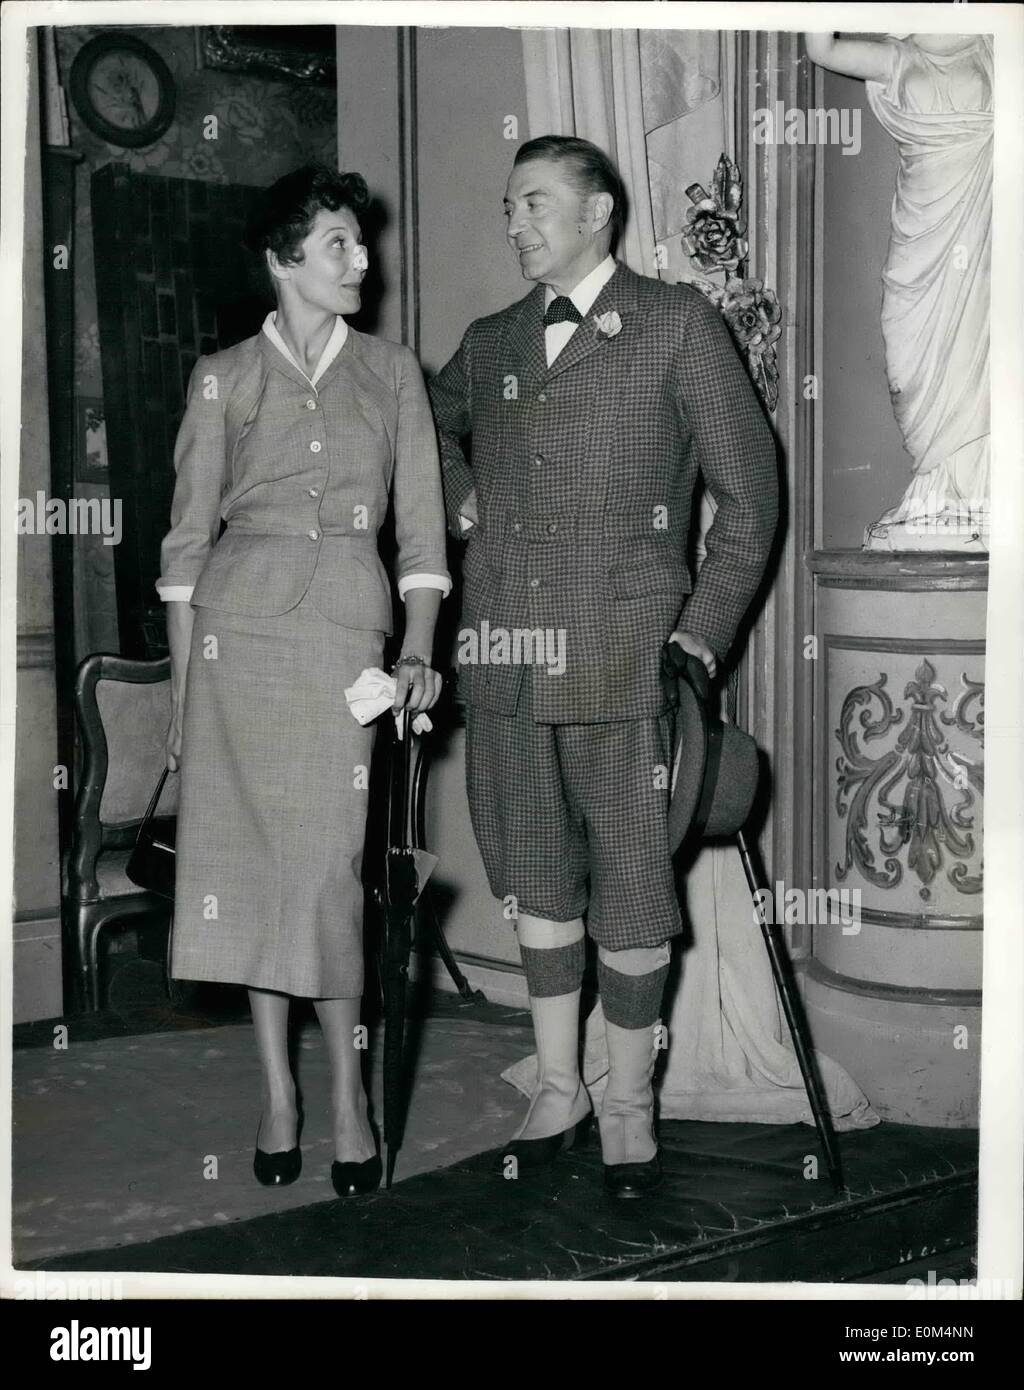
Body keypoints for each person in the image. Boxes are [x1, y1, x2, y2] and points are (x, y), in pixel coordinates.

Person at [429, 135, 778, 1196]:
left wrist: (696, 636)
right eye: (506, 206)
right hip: (502, 663)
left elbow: (751, 501)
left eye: (534, 202)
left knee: (631, 891)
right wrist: (455, 492)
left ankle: (630, 1100)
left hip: (631, 664)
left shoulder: (677, 325)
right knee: (536, 879)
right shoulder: (488, 342)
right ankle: (560, 1087)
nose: (514, 222)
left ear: (599, 211)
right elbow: (423, 429)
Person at [158, 164, 450, 1198]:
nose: (361, 259)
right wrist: (188, 697)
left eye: (360, 241)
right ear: (284, 258)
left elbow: (421, 531)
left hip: (343, 645)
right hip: (236, 645)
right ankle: (280, 1094)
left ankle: (349, 1099)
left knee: (328, 883)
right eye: (337, 243)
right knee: (250, 879)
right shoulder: (221, 375)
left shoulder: (393, 372)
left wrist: (416, 649)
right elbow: (186, 548)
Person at [805, 32, 992, 550]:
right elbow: (822, 47)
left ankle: (973, 491)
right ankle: (937, 484)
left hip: (978, 228)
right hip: (921, 231)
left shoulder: (994, 43)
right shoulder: (899, 53)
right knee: (910, 362)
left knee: (977, 351)